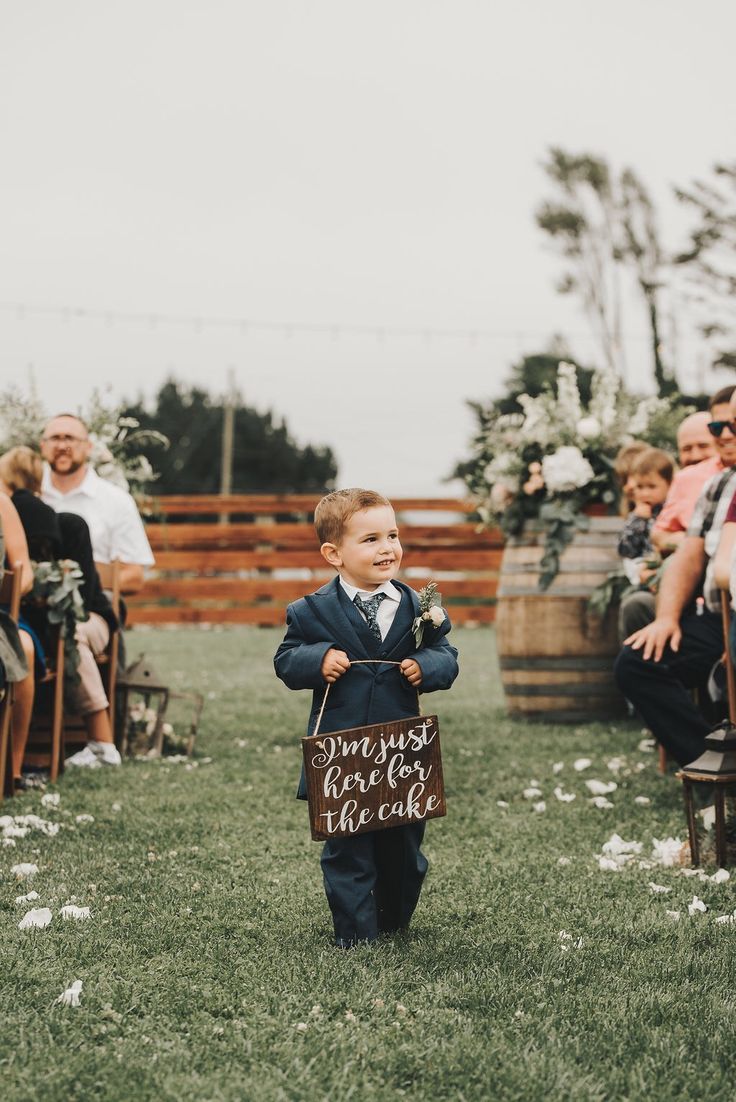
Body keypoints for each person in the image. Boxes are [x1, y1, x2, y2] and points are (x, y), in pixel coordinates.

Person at [274, 488, 459, 948]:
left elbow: (446, 654)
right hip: (342, 751)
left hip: (401, 751)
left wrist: (428, 667)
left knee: (404, 848)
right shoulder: (311, 611)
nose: (386, 548)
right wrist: (317, 660)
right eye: (371, 539)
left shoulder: (420, 607)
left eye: (392, 536)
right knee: (348, 848)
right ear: (333, 554)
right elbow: (286, 659)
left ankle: (393, 919)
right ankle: (356, 934)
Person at [614, 388, 736, 768]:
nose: (724, 434)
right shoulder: (719, 485)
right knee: (637, 662)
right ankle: (712, 763)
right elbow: (690, 552)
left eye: (732, 425)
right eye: (720, 424)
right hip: (719, 616)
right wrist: (666, 619)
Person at [0, 444, 122, 769]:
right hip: (48, 615)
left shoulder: (49, 519)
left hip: (91, 616)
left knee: (69, 634)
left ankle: (102, 743)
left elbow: (75, 598)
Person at [40, 413, 154, 595]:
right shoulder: (27, 496)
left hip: (94, 606)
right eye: (54, 438)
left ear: (88, 447)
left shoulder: (117, 500)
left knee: (80, 626)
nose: (62, 446)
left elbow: (134, 577)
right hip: (30, 610)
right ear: (42, 446)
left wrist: (78, 586)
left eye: (70, 438)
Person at [651, 386, 736, 556]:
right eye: (718, 427)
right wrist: (691, 542)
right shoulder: (689, 478)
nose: (726, 435)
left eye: (734, 425)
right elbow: (659, 534)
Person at [617, 448, 674, 637]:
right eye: (640, 488)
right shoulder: (637, 517)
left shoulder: (672, 511)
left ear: (669, 485)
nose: (644, 493)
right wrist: (637, 522)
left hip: (668, 575)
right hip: (643, 579)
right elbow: (626, 550)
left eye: (651, 487)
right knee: (630, 601)